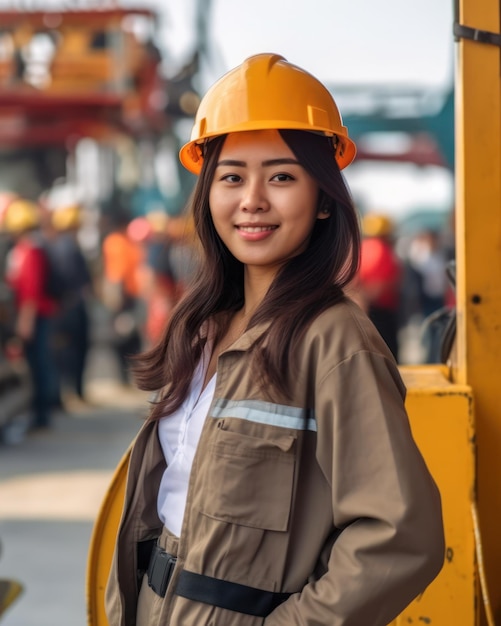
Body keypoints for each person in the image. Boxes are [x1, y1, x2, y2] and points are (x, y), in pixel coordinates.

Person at [105, 53, 445, 626]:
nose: (252, 199)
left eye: (282, 176)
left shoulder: (334, 340)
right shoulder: (204, 326)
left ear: (321, 199)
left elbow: (399, 537)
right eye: (232, 176)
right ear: (207, 193)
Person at [2, 197, 58, 429]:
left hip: (35, 317)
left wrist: (26, 322)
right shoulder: (23, 250)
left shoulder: (31, 251)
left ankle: (41, 414)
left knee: (38, 364)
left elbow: (31, 291)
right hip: (30, 315)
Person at [353, 212, 403, 360]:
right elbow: (378, 287)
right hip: (380, 311)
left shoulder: (362, 247)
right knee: (388, 356)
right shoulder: (382, 251)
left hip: (364, 310)